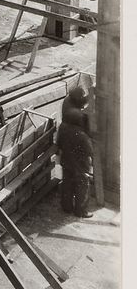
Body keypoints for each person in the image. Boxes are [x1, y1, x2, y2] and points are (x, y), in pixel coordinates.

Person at [57, 83, 95, 217]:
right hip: (79, 154)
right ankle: (81, 210)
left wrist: (90, 95)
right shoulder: (81, 125)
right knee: (82, 181)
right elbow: (90, 147)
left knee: (67, 177)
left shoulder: (67, 105)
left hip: (66, 150)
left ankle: (66, 207)